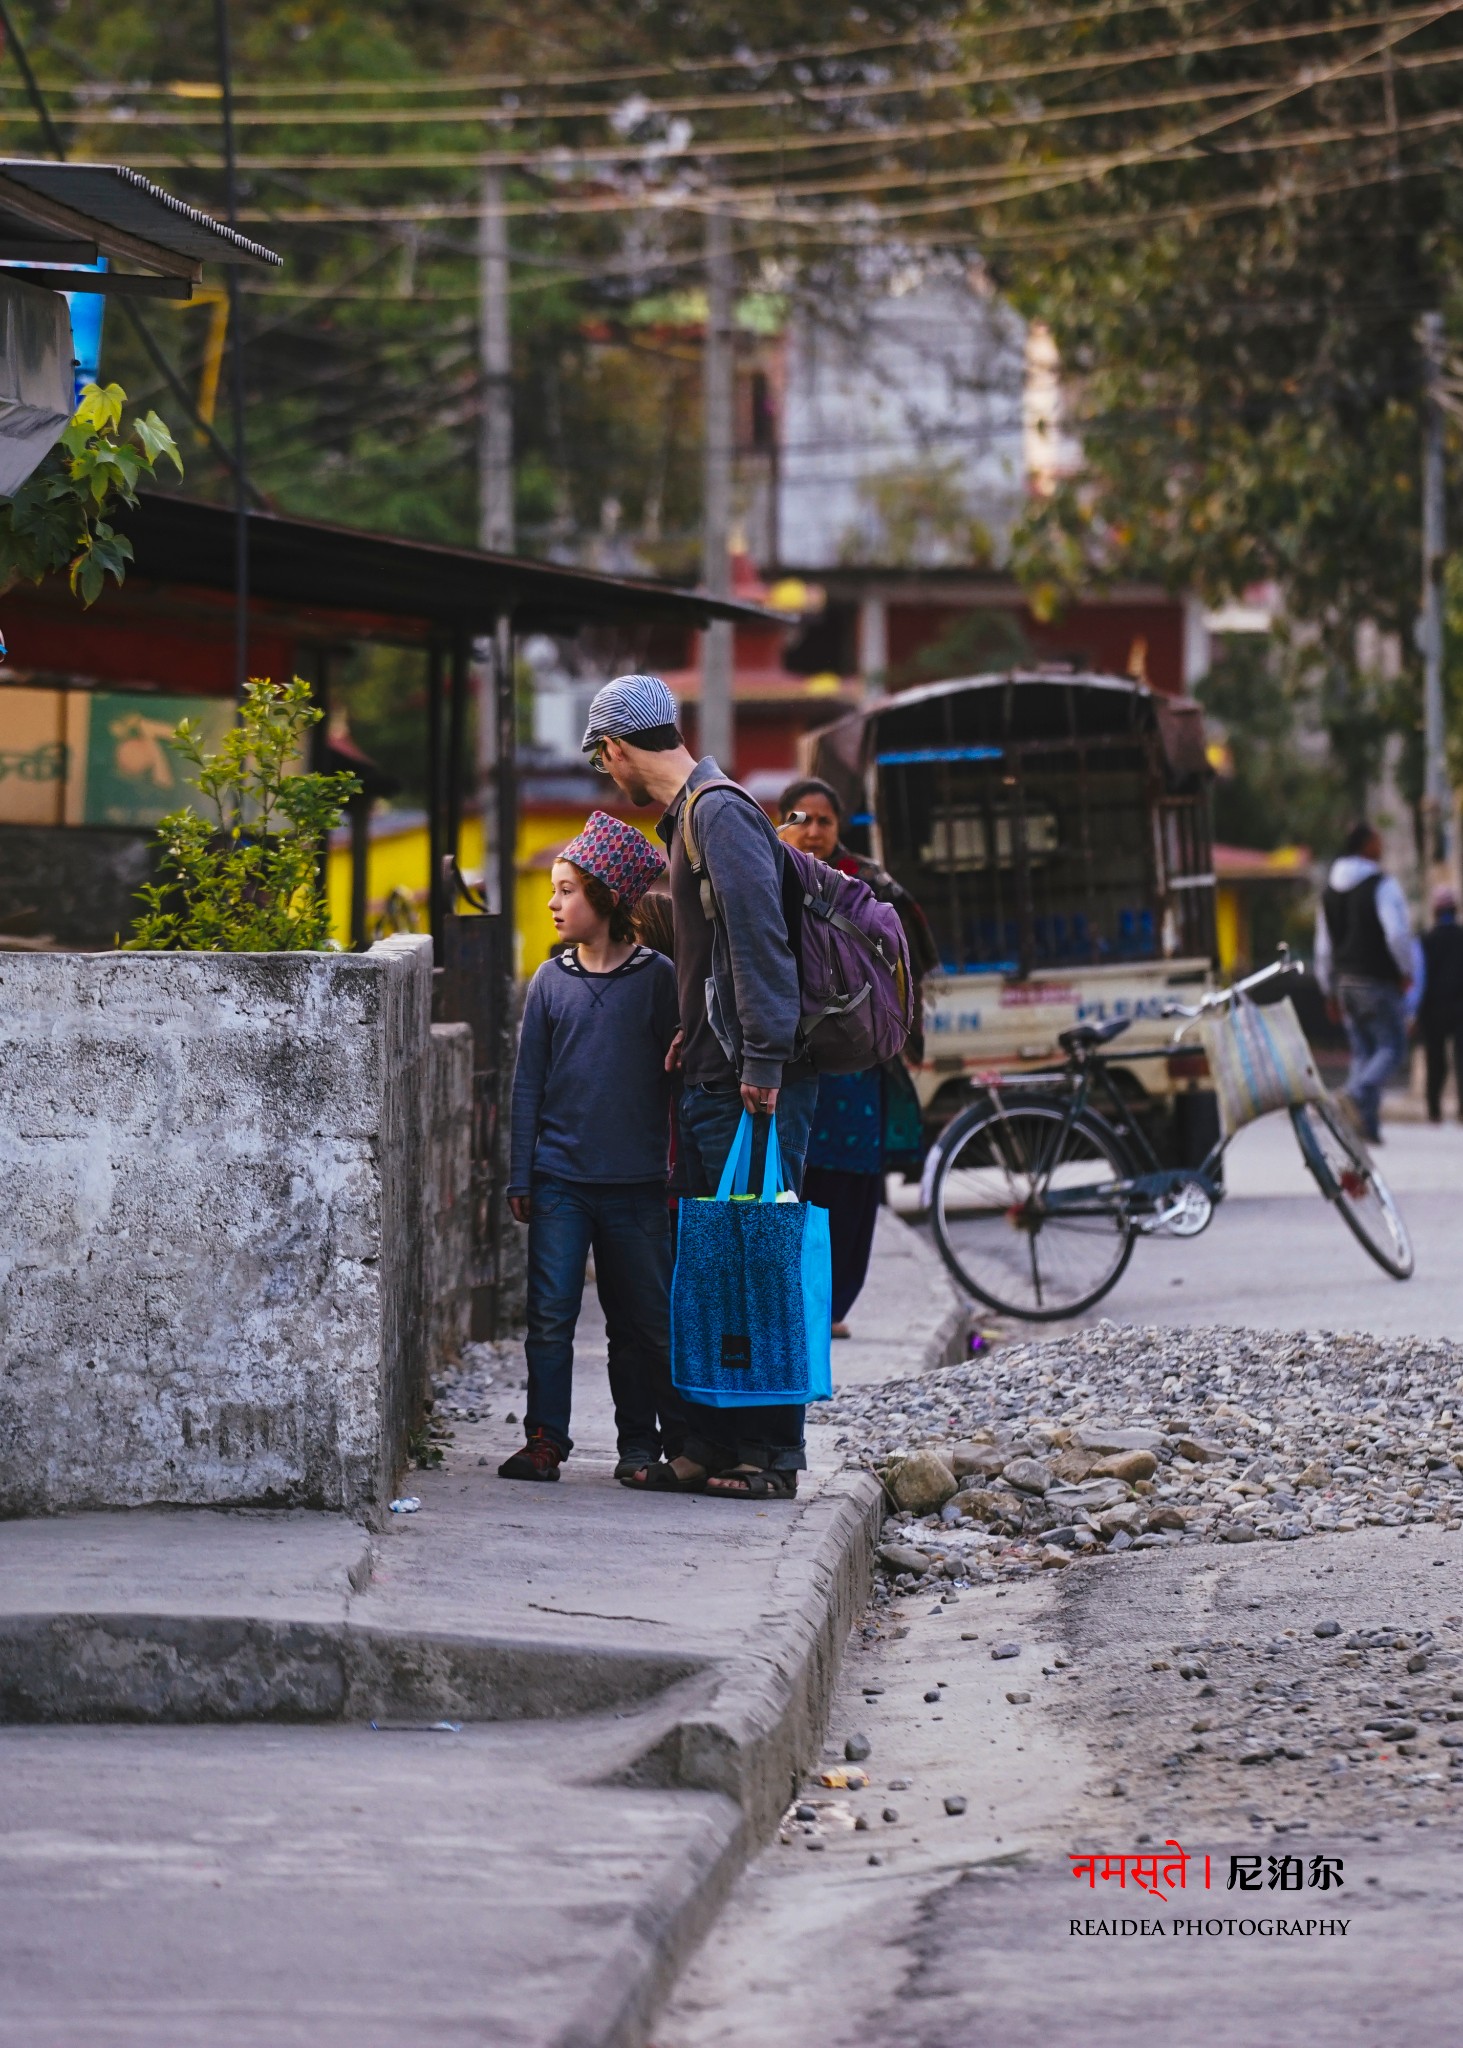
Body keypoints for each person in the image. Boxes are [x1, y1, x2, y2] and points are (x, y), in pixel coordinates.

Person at [582, 671, 815, 1501]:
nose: (608, 775)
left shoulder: (716, 812)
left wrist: (760, 1061)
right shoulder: (688, 818)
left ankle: (769, 1456)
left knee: (759, 1264)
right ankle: (713, 1443)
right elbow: (718, 957)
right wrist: (696, 1024)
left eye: (603, 760)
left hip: (751, 1087)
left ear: (615, 748)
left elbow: (761, 945)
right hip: (715, 1076)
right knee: (714, 1267)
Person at [501, 810, 685, 1484]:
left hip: (637, 1184)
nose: (552, 903)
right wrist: (521, 1173)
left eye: (566, 890)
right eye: (553, 890)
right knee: (548, 1317)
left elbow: (681, 1069)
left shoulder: (658, 978)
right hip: (559, 1181)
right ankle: (545, 1439)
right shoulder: (549, 983)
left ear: (605, 897)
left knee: (638, 1323)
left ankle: (639, 1448)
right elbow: (528, 1086)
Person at [777, 776, 938, 1337]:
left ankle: (835, 1305)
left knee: (851, 1184)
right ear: (782, 823)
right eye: (800, 818)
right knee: (793, 1178)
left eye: (825, 821)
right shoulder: (764, 876)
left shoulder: (868, 883)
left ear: (840, 827)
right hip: (789, 1054)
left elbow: (910, 956)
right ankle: (796, 1300)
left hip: (856, 1057)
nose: (814, 831)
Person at [1314, 822, 1413, 1145]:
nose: (1381, 847)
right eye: (1377, 841)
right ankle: (1354, 1095)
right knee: (1391, 1047)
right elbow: (1397, 933)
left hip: (1343, 982)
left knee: (1362, 1052)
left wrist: (1327, 987)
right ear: (1366, 846)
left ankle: (1364, 1126)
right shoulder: (1381, 884)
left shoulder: (1329, 891)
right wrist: (1406, 969)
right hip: (1376, 980)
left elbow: (1323, 946)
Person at [1419, 883, 1463, 1123]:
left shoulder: (1426, 940)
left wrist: (1412, 1012)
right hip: (1459, 1007)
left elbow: (1418, 978)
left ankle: (1433, 1109)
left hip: (1432, 1008)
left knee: (1435, 1061)